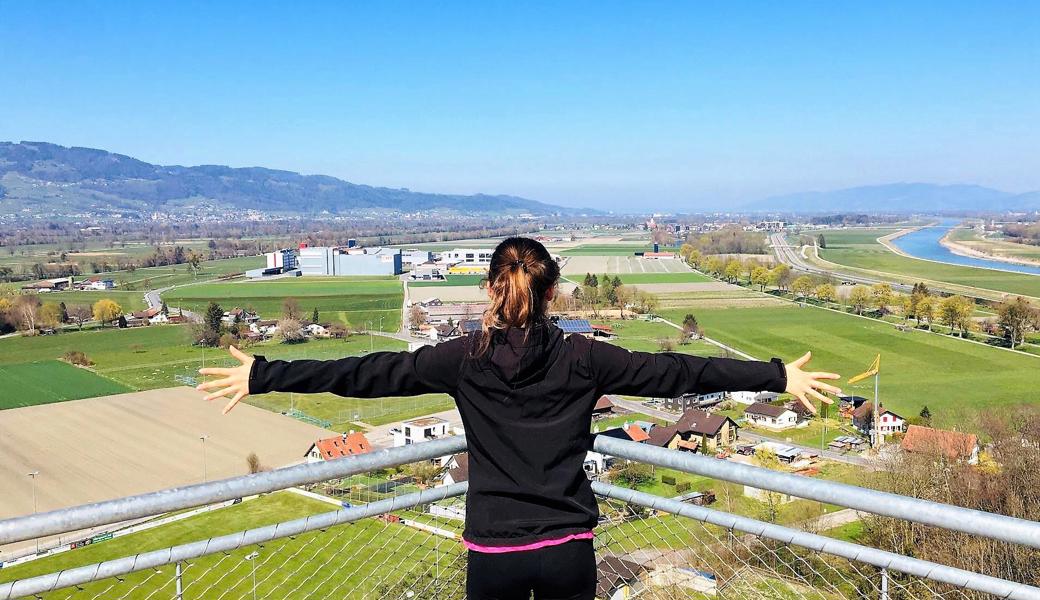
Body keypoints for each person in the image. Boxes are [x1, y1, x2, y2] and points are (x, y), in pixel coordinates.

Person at [197, 237, 840, 600]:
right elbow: (678, 372)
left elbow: (367, 374)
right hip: (567, 549)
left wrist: (263, 375)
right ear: (553, 293)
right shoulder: (585, 358)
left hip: (494, 551)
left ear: (490, 290)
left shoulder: (461, 360)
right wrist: (777, 375)